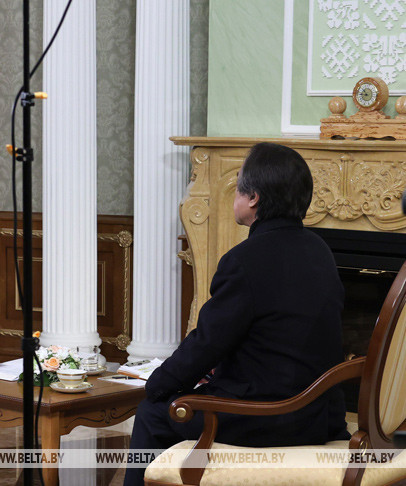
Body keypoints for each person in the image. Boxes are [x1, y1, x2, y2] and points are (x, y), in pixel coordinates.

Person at [124, 142, 348, 485]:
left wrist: (157, 385)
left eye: (239, 186)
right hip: (318, 415)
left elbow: (206, 343)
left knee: (154, 413)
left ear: (253, 197)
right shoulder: (320, 251)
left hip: (266, 418)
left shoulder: (243, 260)